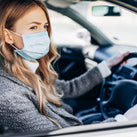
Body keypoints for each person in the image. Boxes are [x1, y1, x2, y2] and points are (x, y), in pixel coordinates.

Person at [0, 0, 131, 134]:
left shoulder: (29, 68)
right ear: (8, 36)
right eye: (33, 27)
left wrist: (106, 66)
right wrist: (124, 121)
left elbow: (69, 88)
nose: (43, 34)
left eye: (45, 26)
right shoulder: (8, 96)